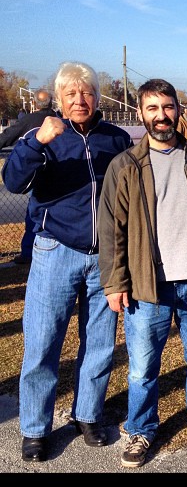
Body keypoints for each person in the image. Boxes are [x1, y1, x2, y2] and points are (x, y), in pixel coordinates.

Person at [98, 78, 187, 469]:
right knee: (143, 365)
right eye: (152, 108)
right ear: (140, 113)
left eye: (168, 107)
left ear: (178, 110)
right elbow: (112, 232)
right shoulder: (125, 166)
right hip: (146, 283)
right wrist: (115, 282)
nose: (162, 116)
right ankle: (141, 427)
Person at [2, 61, 132, 463]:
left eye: (87, 92)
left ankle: (88, 414)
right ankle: (36, 428)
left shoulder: (116, 138)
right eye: (71, 94)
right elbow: (13, 182)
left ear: (97, 97)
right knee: (43, 341)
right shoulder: (45, 134)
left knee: (99, 342)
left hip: (104, 258)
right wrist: (35, 143)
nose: (80, 99)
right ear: (58, 99)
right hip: (55, 251)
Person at [0, 88, 57, 264]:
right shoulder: (59, 119)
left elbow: (7, 136)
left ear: (34, 104)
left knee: (34, 211)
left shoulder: (28, 120)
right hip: (57, 170)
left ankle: (28, 252)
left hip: (35, 171)